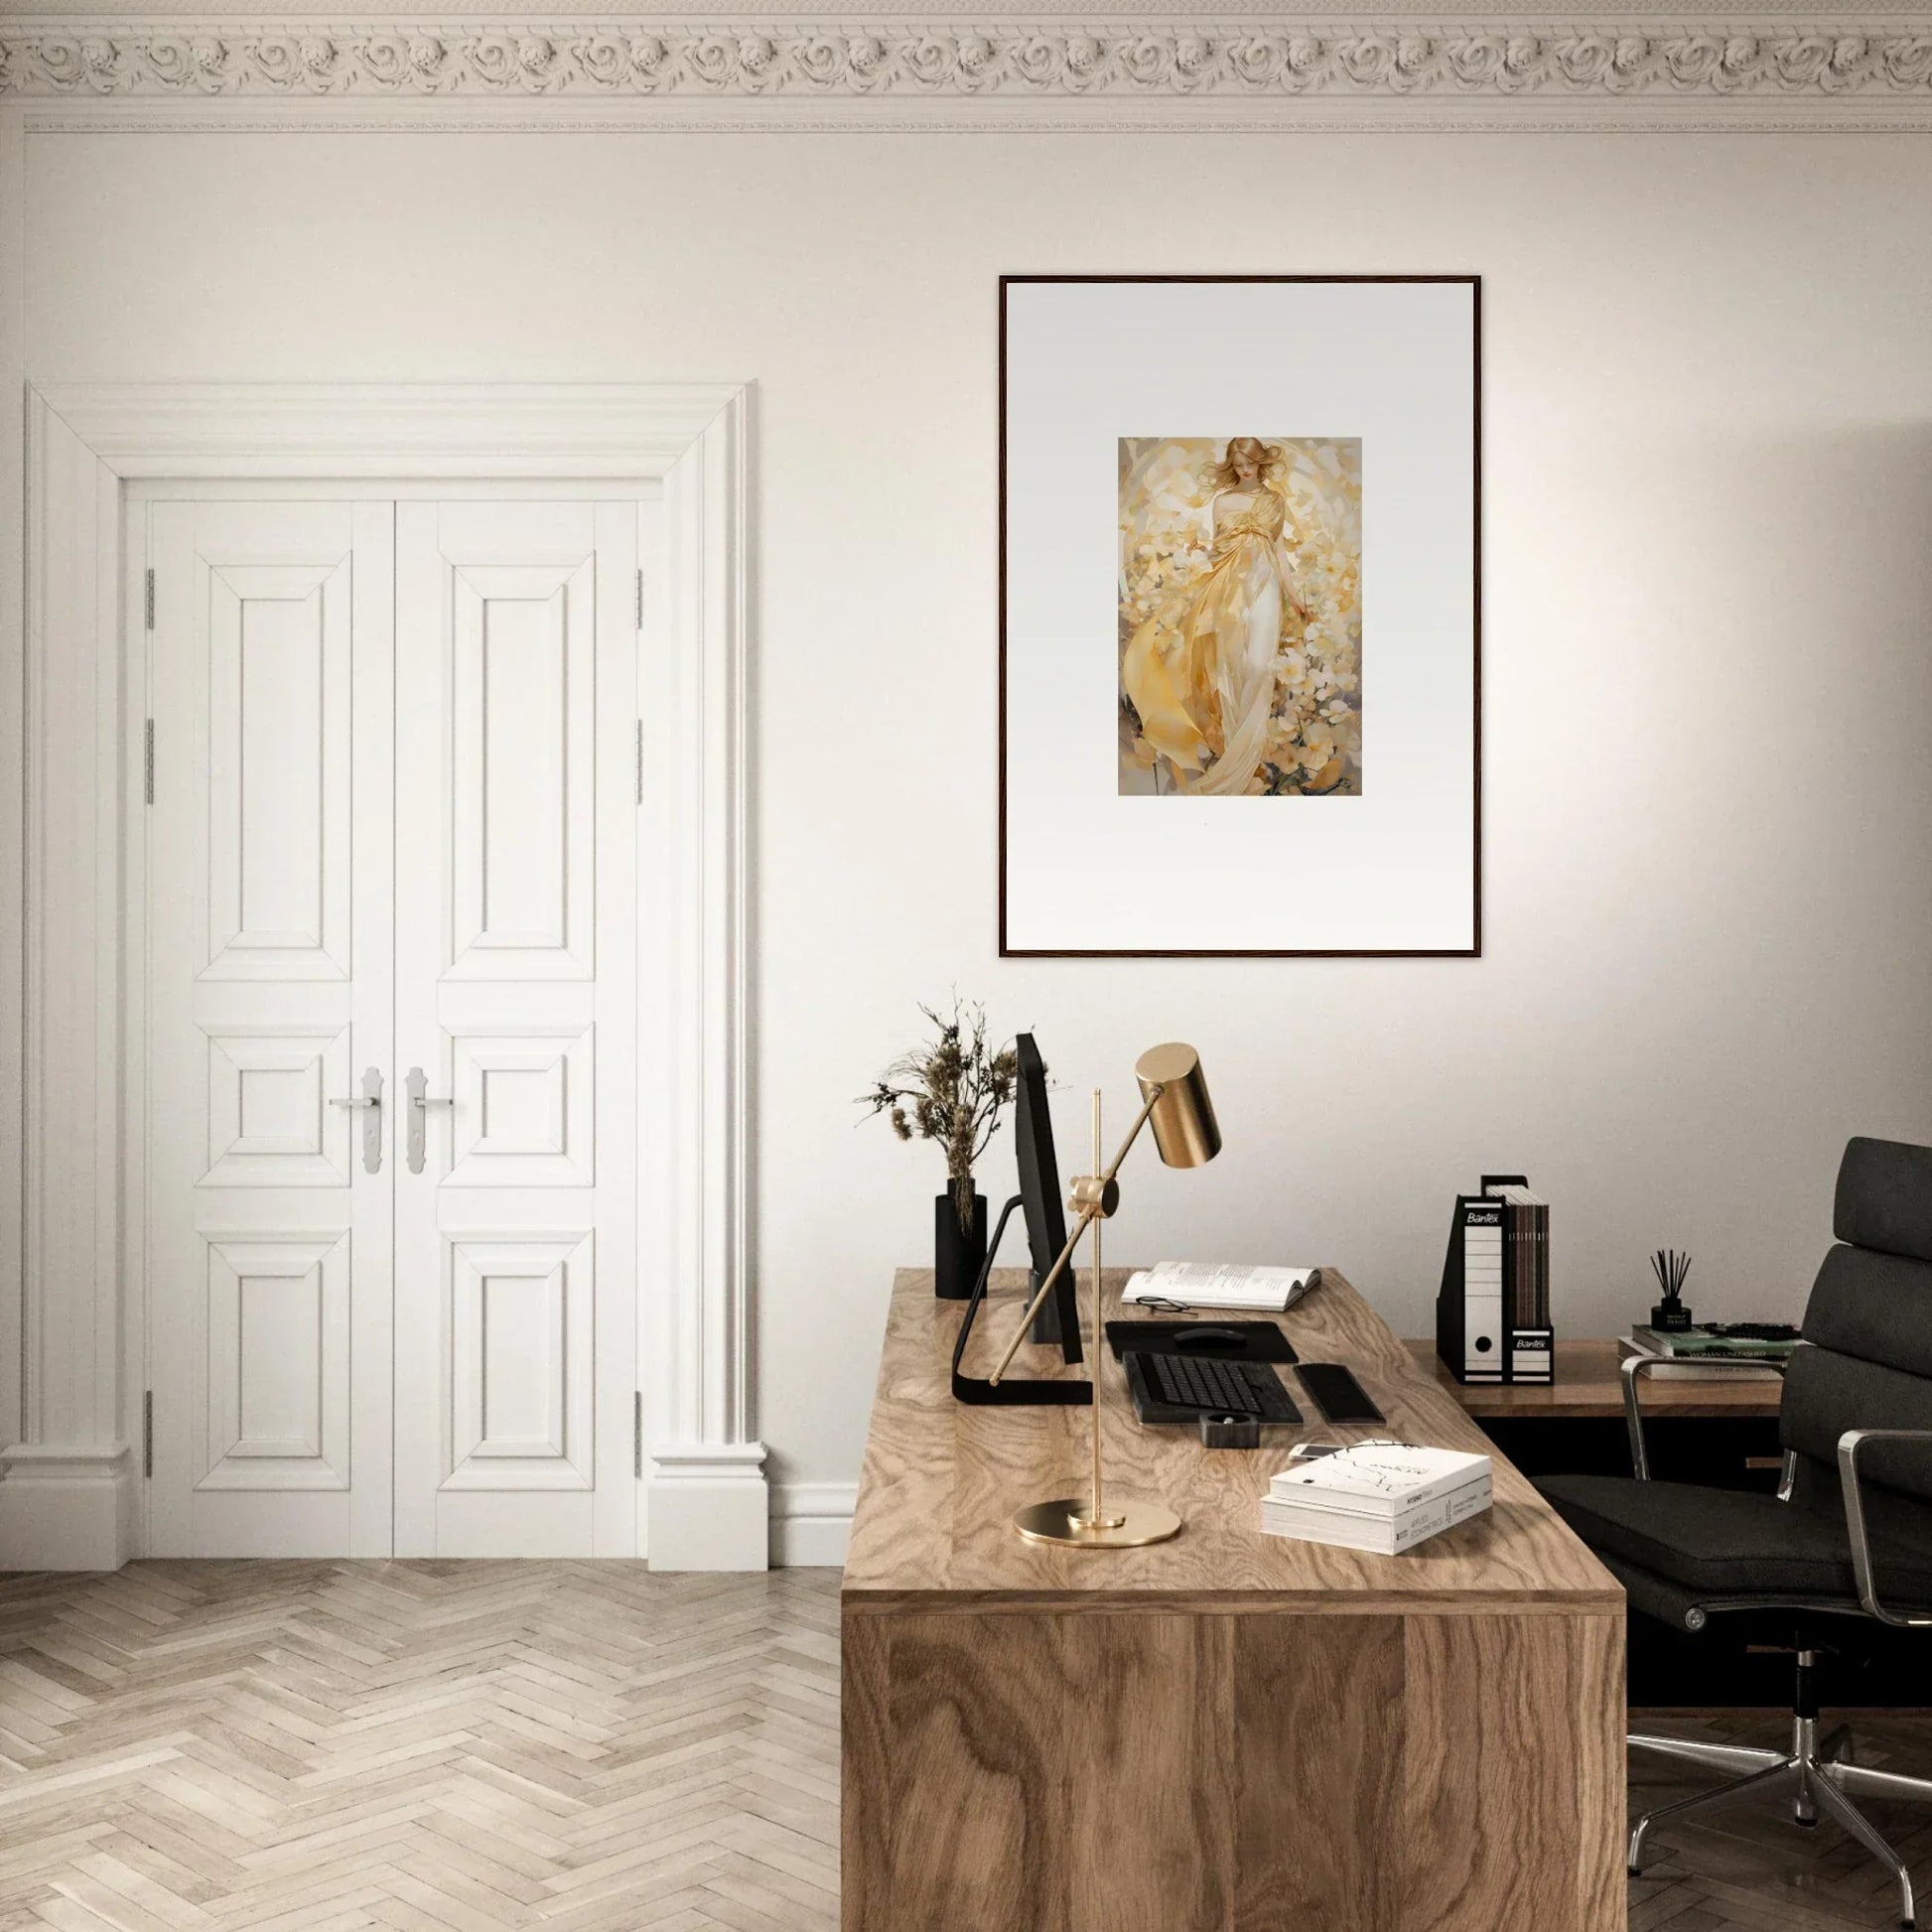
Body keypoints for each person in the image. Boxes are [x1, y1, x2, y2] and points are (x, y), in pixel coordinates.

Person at [1121, 437, 1308, 796]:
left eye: (1250, 463)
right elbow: (1218, 549)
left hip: (1266, 583)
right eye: (1238, 465)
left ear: (1260, 462)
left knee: (1259, 665)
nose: (1245, 470)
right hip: (1230, 585)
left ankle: (1245, 758)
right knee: (1231, 664)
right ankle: (1235, 756)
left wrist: (1295, 595)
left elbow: (1280, 552)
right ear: (1232, 466)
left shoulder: (1274, 502)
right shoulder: (1223, 503)